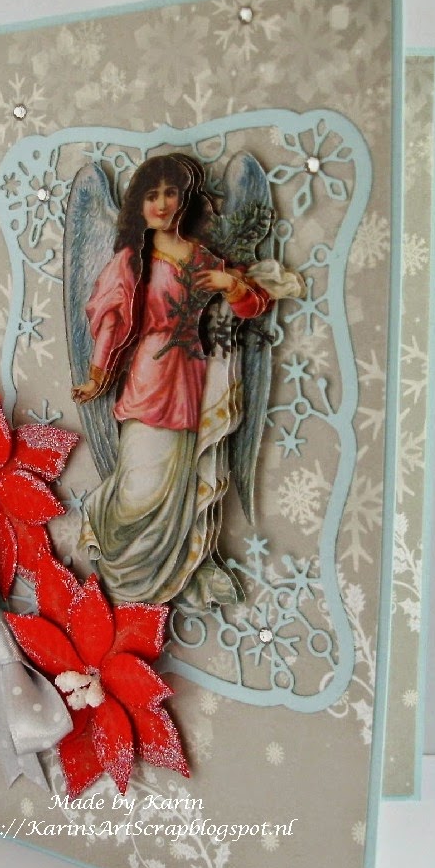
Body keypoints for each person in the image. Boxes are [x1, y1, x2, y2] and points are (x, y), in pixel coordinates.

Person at [72, 154, 274, 613]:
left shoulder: (201, 257)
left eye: (170, 193)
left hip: (191, 380)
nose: (162, 203)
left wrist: (229, 284)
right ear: (138, 204)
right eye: (152, 195)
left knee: (177, 484)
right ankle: (116, 559)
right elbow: (111, 322)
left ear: (184, 199)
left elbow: (253, 306)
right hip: (148, 375)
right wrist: (98, 375)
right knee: (138, 487)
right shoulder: (133, 260)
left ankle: (165, 576)